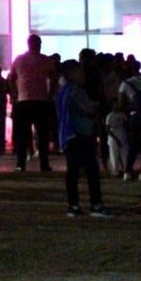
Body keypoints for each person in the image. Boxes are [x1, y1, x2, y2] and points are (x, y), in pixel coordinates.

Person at [55, 59, 108, 217]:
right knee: (91, 170)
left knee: (73, 171)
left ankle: (74, 205)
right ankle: (96, 205)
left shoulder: (62, 91)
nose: (83, 74)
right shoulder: (75, 91)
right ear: (71, 74)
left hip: (69, 135)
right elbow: (88, 108)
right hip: (81, 134)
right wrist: (97, 105)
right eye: (79, 71)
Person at [9, 34, 57, 172]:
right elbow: (53, 79)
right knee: (42, 135)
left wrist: (15, 94)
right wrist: (50, 94)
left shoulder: (19, 59)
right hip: (41, 100)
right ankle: (44, 164)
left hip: (23, 100)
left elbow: (11, 78)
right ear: (39, 44)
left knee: (22, 135)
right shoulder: (45, 60)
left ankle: (20, 164)